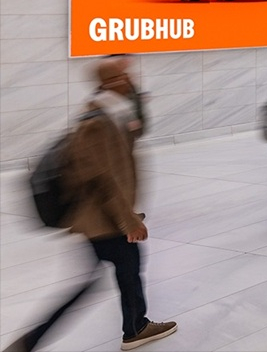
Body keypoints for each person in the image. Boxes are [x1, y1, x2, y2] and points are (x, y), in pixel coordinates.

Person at [8, 59, 178, 352]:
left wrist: (137, 97)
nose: (130, 80)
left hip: (102, 218)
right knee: (114, 273)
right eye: (124, 76)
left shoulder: (113, 112)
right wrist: (128, 221)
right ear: (111, 82)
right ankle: (132, 329)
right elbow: (103, 179)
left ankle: (134, 327)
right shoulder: (96, 123)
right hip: (100, 221)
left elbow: (137, 133)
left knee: (118, 273)